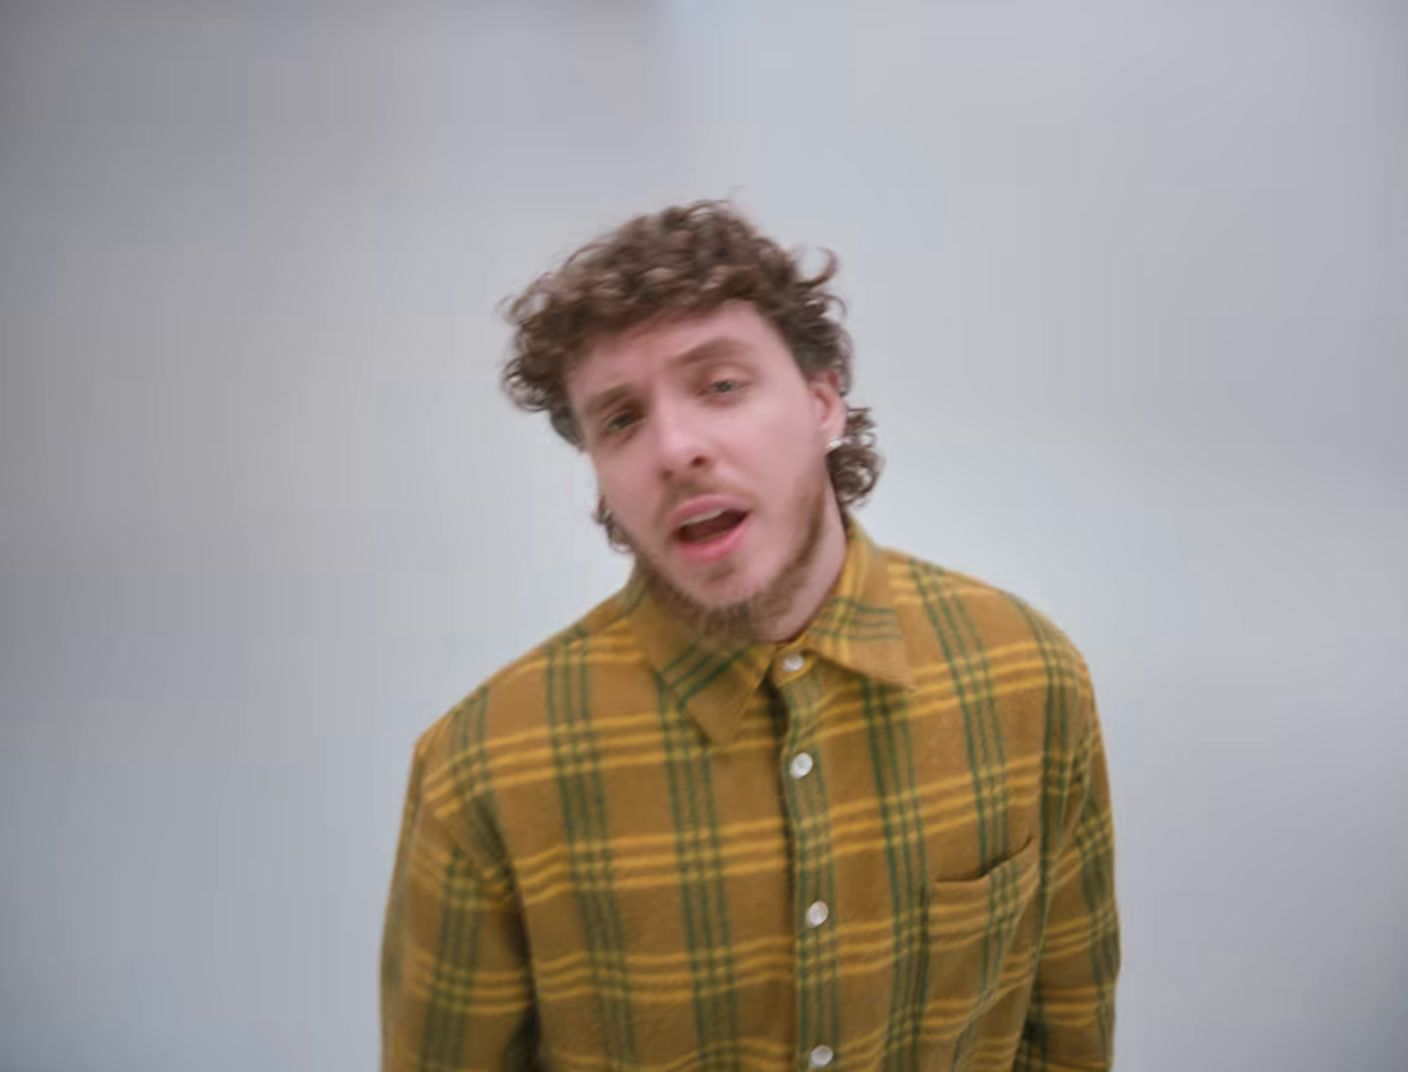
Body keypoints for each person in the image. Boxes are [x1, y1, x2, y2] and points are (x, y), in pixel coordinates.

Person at [380, 201, 1119, 1071]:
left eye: (721, 385)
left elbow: (1065, 1038)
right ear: (601, 475)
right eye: (621, 419)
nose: (675, 447)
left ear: (823, 402)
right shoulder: (484, 771)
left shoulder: (1028, 677)